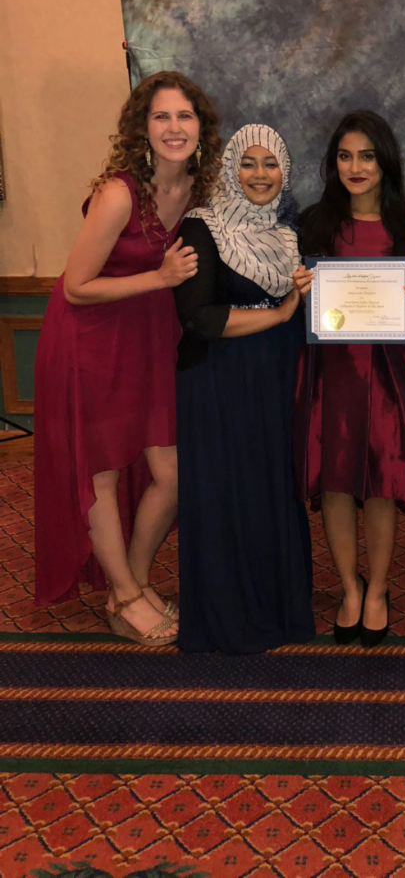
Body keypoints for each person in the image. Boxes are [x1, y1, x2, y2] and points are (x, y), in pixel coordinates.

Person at [34, 71, 222, 647]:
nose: (174, 127)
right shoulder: (119, 193)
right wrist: (160, 277)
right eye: (161, 116)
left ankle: (132, 583)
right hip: (90, 341)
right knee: (104, 471)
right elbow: (76, 287)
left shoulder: (198, 189)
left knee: (172, 473)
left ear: (201, 128)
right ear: (142, 128)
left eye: (185, 116)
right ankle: (123, 593)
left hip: (148, 340)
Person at [293, 110, 405, 647]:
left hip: (387, 373)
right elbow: (302, 305)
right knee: (335, 483)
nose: (355, 167)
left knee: (381, 483)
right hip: (331, 371)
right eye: (345, 156)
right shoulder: (314, 224)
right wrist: (301, 292)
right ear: (333, 163)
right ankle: (348, 589)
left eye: (367, 156)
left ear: (386, 162)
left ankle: (377, 588)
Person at [173, 124, 316, 653]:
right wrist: (279, 314)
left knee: (271, 483)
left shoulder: (287, 232)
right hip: (219, 378)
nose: (259, 174)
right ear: (230, 169)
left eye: (270, 163)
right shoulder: (202, 227)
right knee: (227, 487)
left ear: (285, 171)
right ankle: (229, 614)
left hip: (276, 373)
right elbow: (198, 317)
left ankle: (277, 605)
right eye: (247, 163)